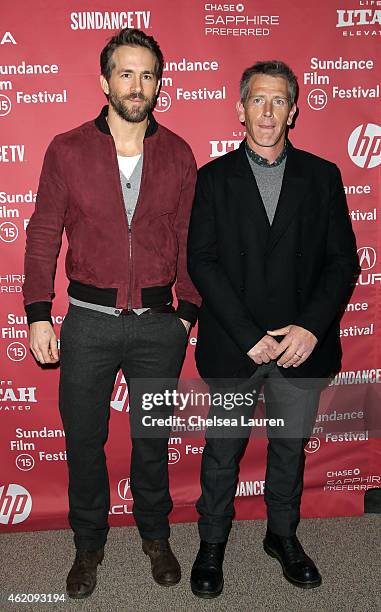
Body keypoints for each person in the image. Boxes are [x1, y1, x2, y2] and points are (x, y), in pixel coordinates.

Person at [23, 28, 200, 599]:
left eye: (148, 74)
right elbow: (43, 234)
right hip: (88, 322)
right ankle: (88, 543)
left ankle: (155, 535)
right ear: (105, 81)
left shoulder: (177, 153)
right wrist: (37, 313)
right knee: (84, 441)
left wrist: (185, 315)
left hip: (158, 326)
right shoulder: (67, 148)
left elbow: (192, 240)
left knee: (152, 439)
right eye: (126, 73)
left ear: (157, 84)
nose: (137, 85)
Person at [187, 60, 358, 598]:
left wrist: (310, 328)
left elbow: (341, 261)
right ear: (240, 110)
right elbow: (202, 261)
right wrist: (247, 334)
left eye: (278, 100)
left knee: (289, 449)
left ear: (293, 110)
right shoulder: (212, 179)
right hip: (236, 345)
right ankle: (211, 543)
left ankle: (282, 536)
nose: (267, 111)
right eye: (257, 100)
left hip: (301, 346)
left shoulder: (323, 176)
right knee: (222, 452)